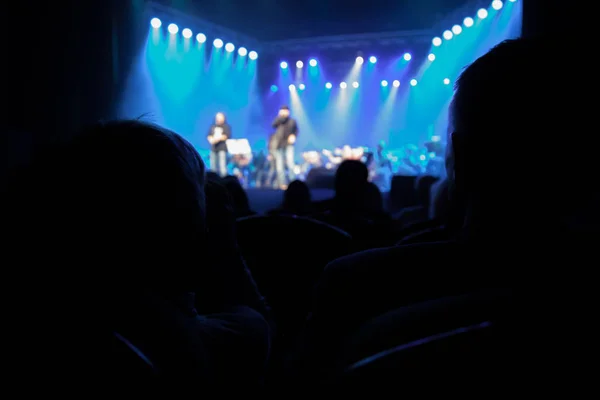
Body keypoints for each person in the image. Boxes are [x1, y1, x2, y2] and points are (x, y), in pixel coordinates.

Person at [271, 105, 299, 189]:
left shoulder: (292, 121)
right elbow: (273, 125)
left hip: (289, 145)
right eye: (282, 110)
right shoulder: (279, 121)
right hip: (279, 145)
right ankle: (282, 184)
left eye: (286, 110)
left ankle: (293, 183)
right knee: (280, 166)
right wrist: (280, 117)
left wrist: (293, 136)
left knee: (290, 163)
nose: (284, 112)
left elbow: (296, 130)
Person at [207, 112, 231, 177]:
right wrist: (211, 139)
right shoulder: (212, 126)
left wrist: (217, 139)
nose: (218, 119)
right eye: (217, 117)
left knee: (222, 166)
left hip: (222, 149)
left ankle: (224, 181)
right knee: (213, 167)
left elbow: (226, 136)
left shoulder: (226, 126)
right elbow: (209, 136)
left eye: (220, 117)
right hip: (213, 149)